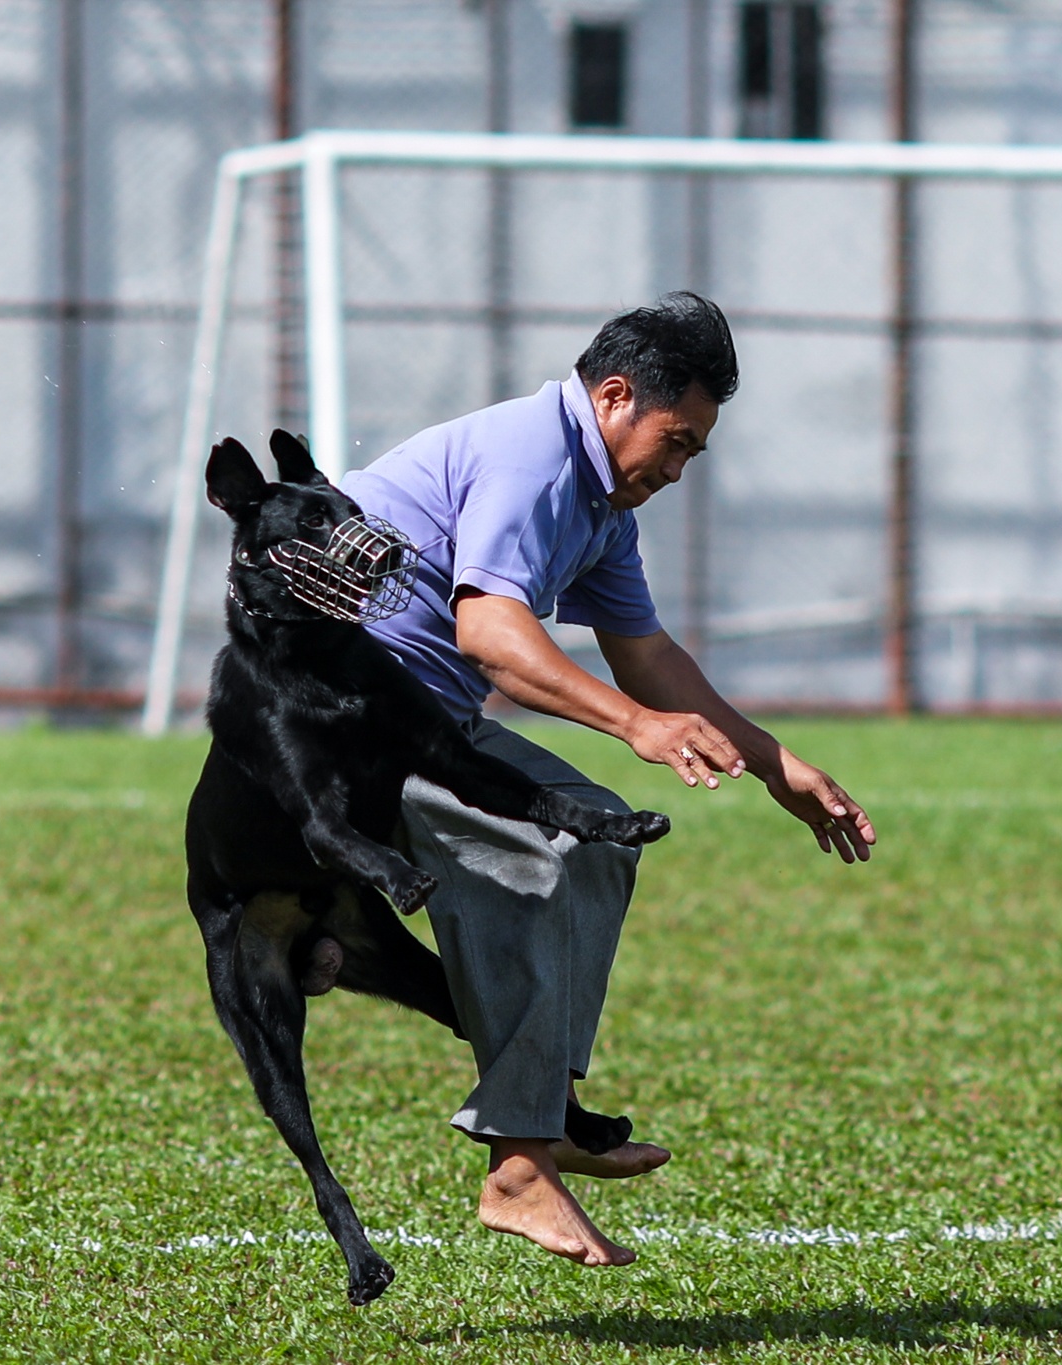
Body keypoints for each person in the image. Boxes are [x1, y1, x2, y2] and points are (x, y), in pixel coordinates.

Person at [342, 292, 877, 1268]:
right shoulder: (533, 459)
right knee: (540, 846)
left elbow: (645, 654)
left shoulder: (594, 504)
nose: (674, 471)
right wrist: (633, 726)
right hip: (335, 711)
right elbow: (489, 635)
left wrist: (771, 763)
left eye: (691, 455)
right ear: (614, 397)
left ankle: (535, 1124)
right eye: (673, 443)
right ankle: (519, 1159)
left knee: (590, 833)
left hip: (408, 714)